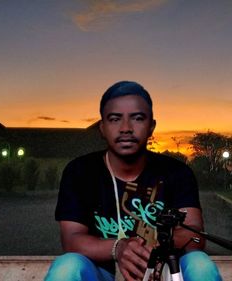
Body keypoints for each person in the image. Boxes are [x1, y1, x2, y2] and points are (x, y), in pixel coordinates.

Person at [45, 81, 222, 281]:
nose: (126, 128)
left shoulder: (177, 172)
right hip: (103, 274)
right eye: (114, 119)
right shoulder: (80, 171)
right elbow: (71, 240)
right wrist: (118, 248)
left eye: (137, 118)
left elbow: (196, 236)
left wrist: (155, 246)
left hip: (164, 273)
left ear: (151, 127)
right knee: (66, 266)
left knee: (200, 263)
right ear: (102, 128)